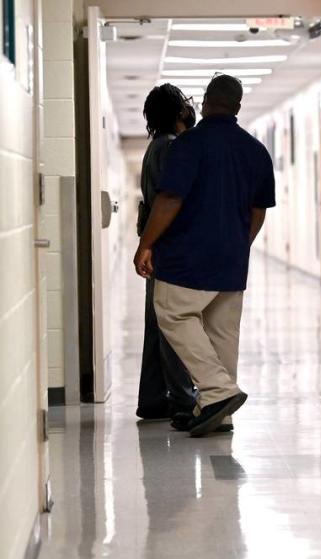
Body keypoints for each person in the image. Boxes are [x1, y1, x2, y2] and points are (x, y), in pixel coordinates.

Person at [133, 74, 276, 437]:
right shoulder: (256, 151)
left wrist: (145, 243)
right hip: (232, 259)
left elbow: (169, 200)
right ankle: (219, 414)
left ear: (207, 102)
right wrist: (239, 243)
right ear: (238, 107)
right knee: (222, 333)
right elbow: (259, 210)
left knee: (173, 312)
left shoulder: (188, 145)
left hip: (187, 258)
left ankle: (217, 391)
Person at [135, 84, 198, 421]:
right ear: (178, 112)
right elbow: (171, 201)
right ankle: (185, 399)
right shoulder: (173, 148)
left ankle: (153, 398)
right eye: (186, 105)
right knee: (174, 322)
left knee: (158, 321)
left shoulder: (156, 147)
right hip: (170, 245)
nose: (191, 109)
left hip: (158, 243)